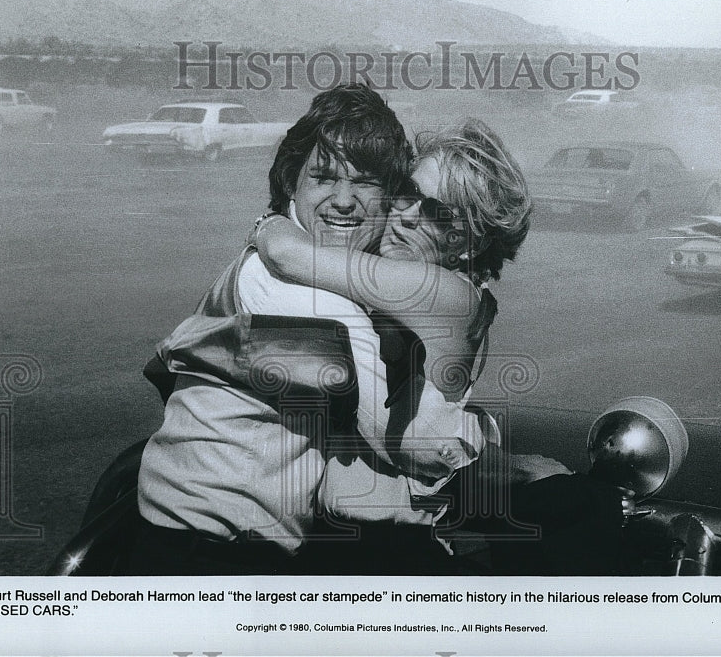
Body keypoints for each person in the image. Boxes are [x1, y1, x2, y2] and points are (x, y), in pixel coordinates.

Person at [129, 84, 485, 574]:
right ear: (290, 183)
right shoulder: (310, 298)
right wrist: (481, 434)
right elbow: (410, 447)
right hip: (211, 552)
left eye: (366, 182)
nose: (344, 201)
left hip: (198, 529)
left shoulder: (288, 257)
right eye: (323, 177)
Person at [253, 119, 624, 575]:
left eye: (437, 213)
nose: (408, 215)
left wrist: (271, 221)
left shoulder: (447, 294)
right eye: (408, 193)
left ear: (469, 244)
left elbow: (288, 255)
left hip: (386, 551)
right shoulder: (424, 289)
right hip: (343, 539)